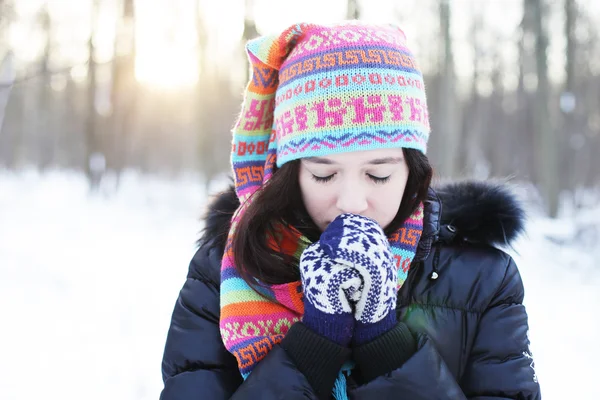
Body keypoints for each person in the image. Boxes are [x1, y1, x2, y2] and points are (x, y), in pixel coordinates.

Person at [160, 21, 542, 400]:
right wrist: (313, 346)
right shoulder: (223, 273)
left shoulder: (484, 282)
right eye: (324, 174)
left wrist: (386, 345)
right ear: (288, 173)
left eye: (378, 175)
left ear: (413, 170)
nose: (352, 202)